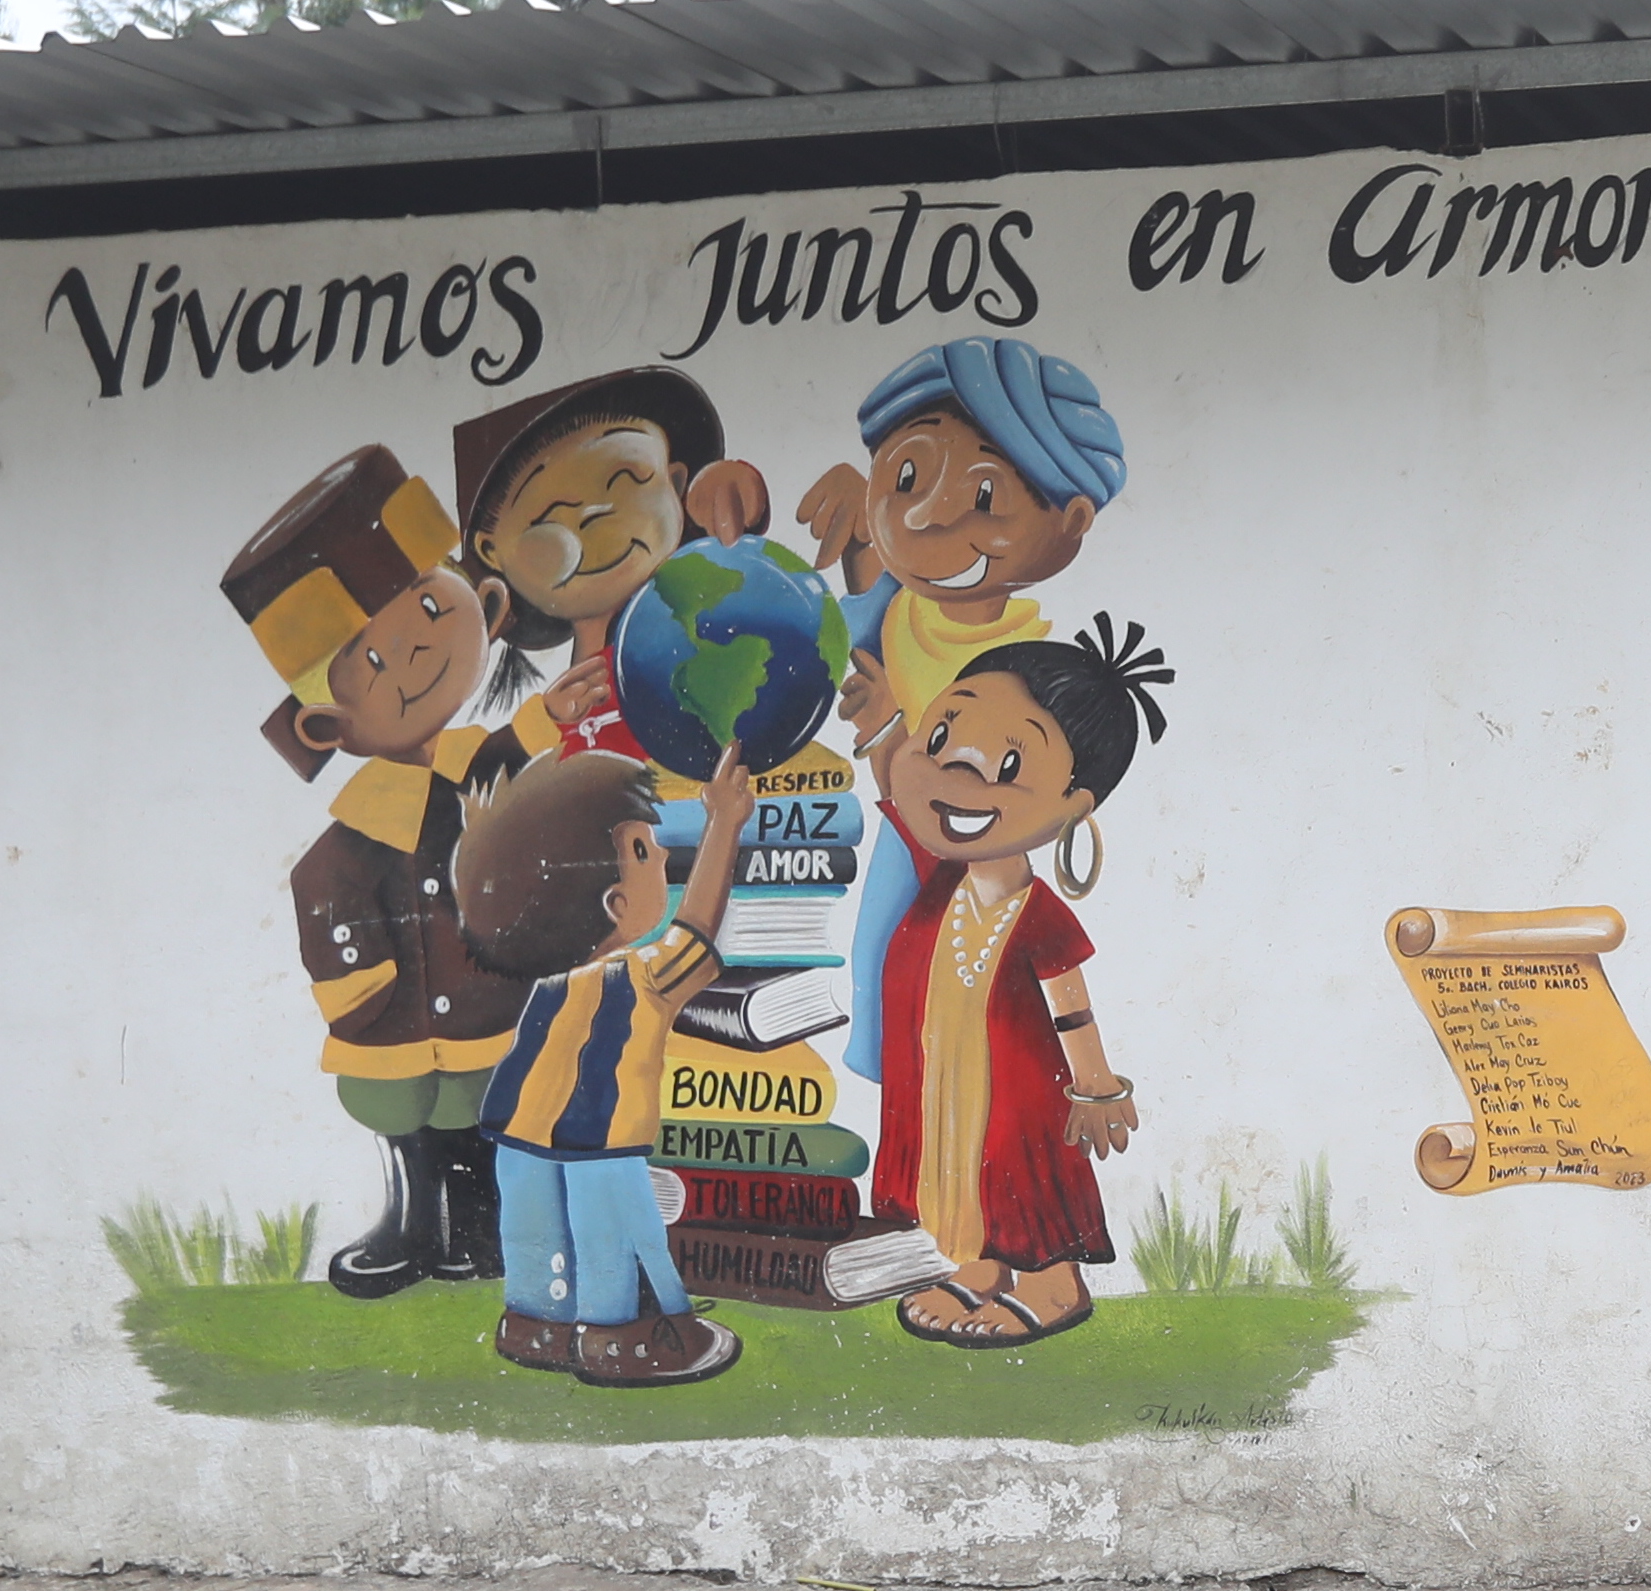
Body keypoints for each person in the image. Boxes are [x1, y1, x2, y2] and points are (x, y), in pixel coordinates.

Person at [217, 443, 558, 1298]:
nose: (413, 658)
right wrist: (355, 979)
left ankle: (479, 1235)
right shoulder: (356, 830)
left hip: (481, 1001)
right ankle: (411, 1228)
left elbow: (509, 758)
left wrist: (553, 716)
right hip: (394, 1022)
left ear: (484, 607)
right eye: (371, 659)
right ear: (330, 728)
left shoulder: (472, 764)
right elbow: (321, 890)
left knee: (477, 1117)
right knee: (407, 1125)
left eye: (431, 613)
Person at [795, 336, 1129, 1087]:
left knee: (916, 965)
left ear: (1070, 521)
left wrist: (891, 726)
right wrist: (858, 530)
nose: (931, 517)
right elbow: (832, 635)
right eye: (908, 475)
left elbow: (936, 786)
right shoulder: (900, 600)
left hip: (958, 842)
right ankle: (908, 1108)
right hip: (905, 826)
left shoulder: (1012, 662)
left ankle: (923, 1094)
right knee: (882, 960)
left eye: (983, 497)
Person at [861, 620, 1174, 1348]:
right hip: (942, 1077)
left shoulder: (1040, 919)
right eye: (940, 742)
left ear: (1072, 807)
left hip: (1021, 1093)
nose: (954, 780)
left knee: (1024, 1180)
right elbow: (895, 782)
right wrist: (886, 723)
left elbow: (1072, 1012)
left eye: (1005, 764)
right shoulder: (939, 881)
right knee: (956, 1168)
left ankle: (1051, 1283)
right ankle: (977, 1266)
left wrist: (1096, 1088)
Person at [455, 744, 760, 1387]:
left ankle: (538, 1325)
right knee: (618, 1238)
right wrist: (724, 824)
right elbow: (698, 930)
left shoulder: (543, 982)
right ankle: (635, 1338)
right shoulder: (641, 975)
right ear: (615, 904)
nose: (665, 859)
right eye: (646, 851)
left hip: (519, 1130)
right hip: (600, 1135)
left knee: (536, 1233)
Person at [447, 366, 772, 761]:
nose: (595, 516)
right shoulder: (548, 720)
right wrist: (546, 723)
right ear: (491, 551)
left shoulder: (700, 642)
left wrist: (738, 526)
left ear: (677, 482)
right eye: (552, 513)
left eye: (627, 479)